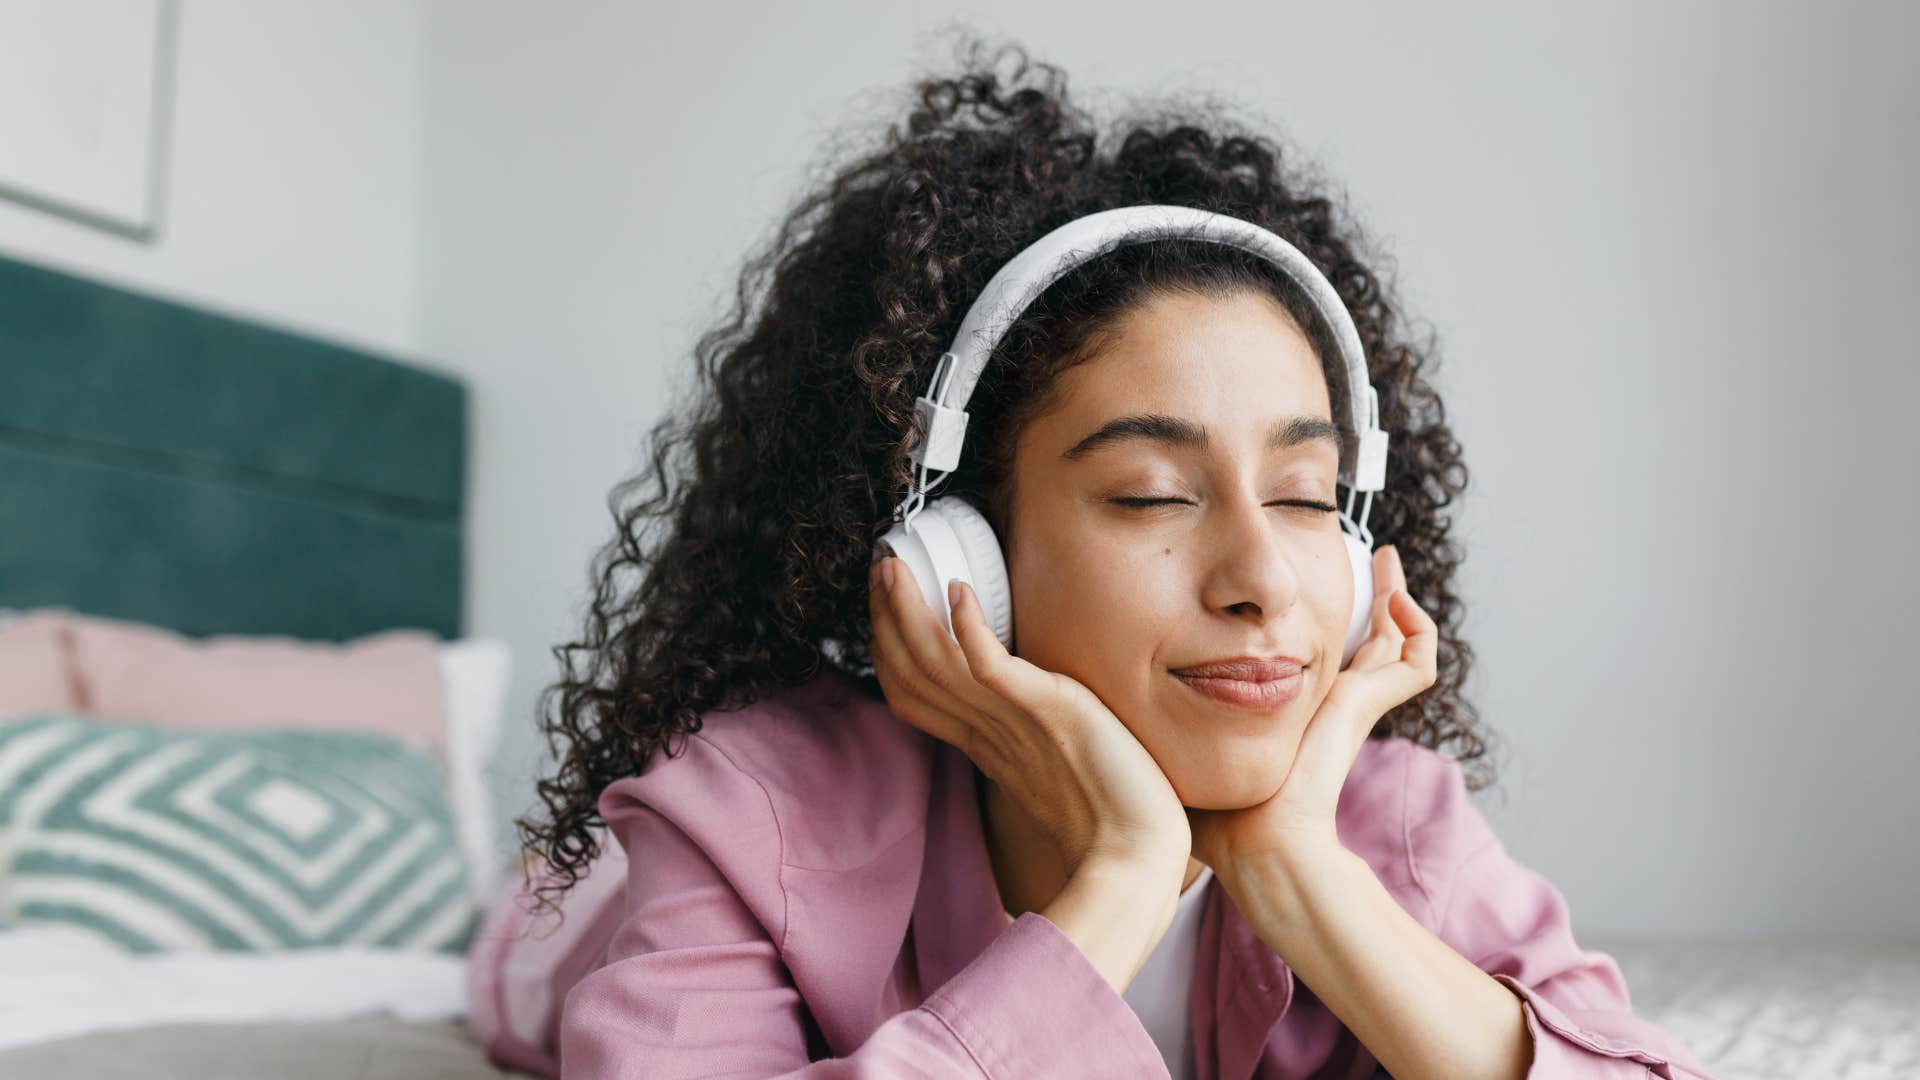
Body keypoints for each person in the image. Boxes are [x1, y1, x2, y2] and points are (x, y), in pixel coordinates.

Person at [497, 33, 1718, 1080]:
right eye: (1151, 494)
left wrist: (1300, 876)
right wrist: (1126, 879)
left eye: (1304, 495)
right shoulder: (746, 814)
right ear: (963, 554)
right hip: (552, 937)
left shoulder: (1385, 820)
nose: (1261, 579)